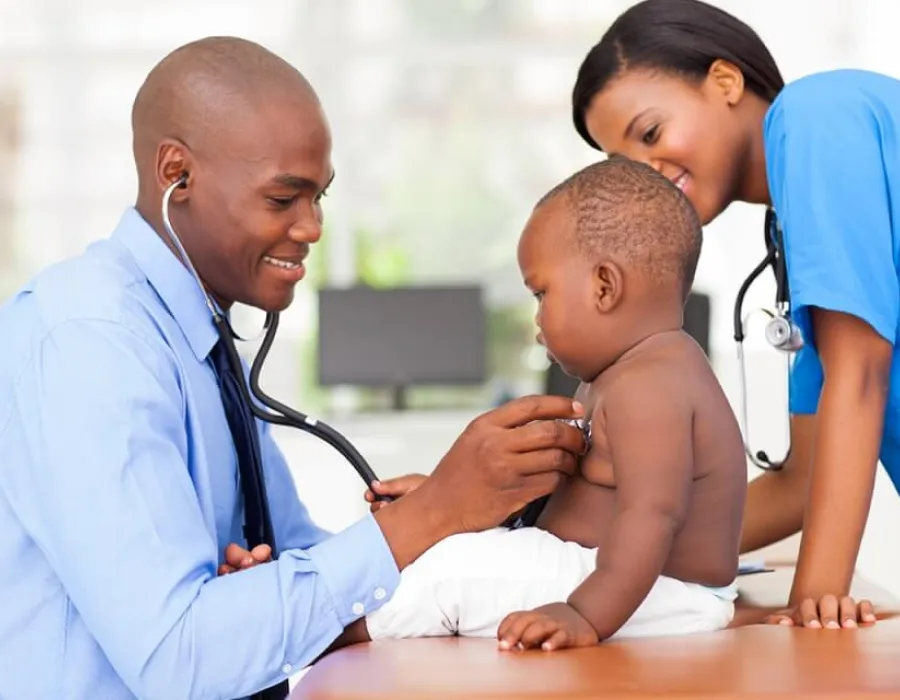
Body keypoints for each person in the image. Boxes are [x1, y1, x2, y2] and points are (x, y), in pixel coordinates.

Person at [0, 37, 588, 700]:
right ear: (176, 176)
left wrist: (449, 513)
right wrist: (432, 514)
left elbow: (294, 558)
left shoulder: (202, 341)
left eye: (320, 198)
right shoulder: (90, 345)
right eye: (284, 200)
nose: (311, 228)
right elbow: (177, 657)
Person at [570, 0, 895, 630]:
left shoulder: (815, 117)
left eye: (651, 133)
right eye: (623, 163)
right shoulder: (796, 234)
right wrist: (610, 546)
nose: (646, 174)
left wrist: (817, 602)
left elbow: (859, 371)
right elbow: (801, 481)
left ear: (725, 82)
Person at [343, 156, 748, 651]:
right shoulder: (624, 373)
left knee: (452, 576)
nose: (537, 319)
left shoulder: (652, 387)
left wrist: (584, 613)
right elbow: (577, 494)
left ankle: (326, 632)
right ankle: (316, 597)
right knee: (447, 548)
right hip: (613, 576)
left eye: (541, 293)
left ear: (604, 287)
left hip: (653, 590)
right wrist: (445, 501)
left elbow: (651, 516)